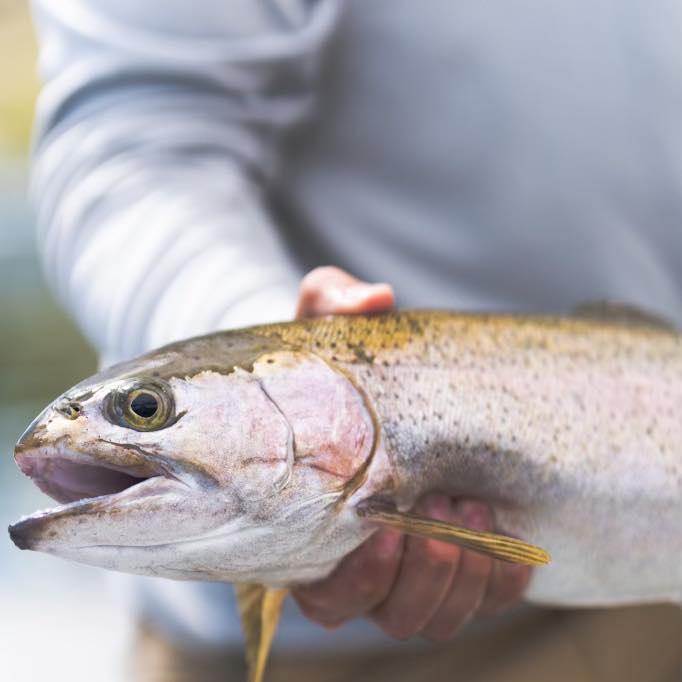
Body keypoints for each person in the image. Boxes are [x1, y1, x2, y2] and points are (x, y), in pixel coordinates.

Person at [29, 1, 682, 681]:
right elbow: (134, 147)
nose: (135, 421)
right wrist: (265, 321)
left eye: (145, 411)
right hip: (331, 654)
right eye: (148, 409)